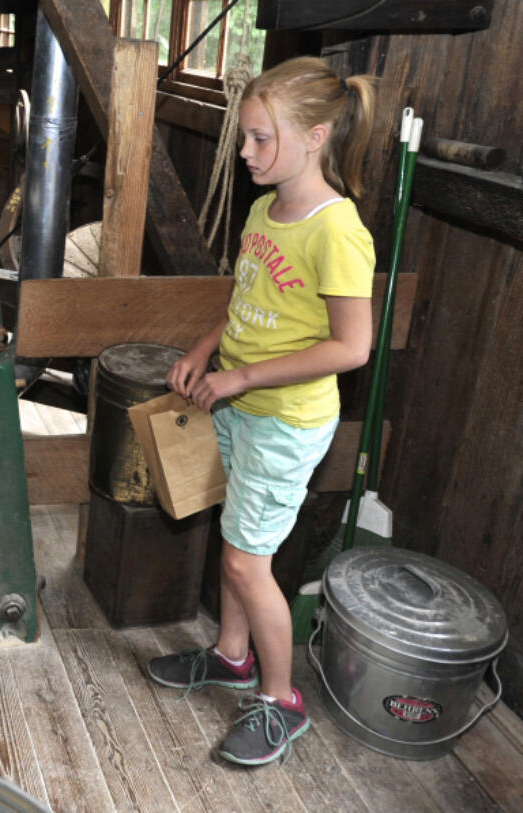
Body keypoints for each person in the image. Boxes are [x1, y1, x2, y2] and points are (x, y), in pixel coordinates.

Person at [145, 57, 376, 766]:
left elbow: (352, 347)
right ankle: (231, 655)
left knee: (248, 563)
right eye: (243, 138)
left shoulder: (337, 231)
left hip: (286, 422)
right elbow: (246, 297)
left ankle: (282, 701)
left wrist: (242, 375)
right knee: (239, 538)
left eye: (259, 139)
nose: (245, 153)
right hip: (242, 404)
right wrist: (205, 347)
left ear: (315, 137)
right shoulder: (262, 208)